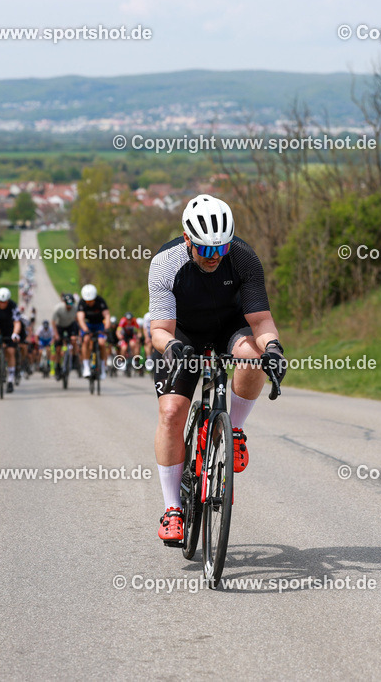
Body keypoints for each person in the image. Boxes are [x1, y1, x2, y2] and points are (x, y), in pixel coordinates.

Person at [148, 194, 287, 542]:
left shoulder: (243, 257)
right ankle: (172, 509)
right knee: (171, 413)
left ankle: (234, 431)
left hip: (229, 326)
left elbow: (261, 319)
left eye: (220, 250)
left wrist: (273, 347)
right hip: (181, 333)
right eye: (205, 250)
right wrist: (175, 347)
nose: (213, 258)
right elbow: (160, 330)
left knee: (253, 357)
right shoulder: (165, 263)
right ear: (186, 240)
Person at [77, 284, 110, 379]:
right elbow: (80, 318)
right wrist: (86, 330)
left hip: (99, 324)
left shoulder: (100, 301)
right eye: (87, 301)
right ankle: (86, 367)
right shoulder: (81, 303)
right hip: (88, 325)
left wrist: (106, 328)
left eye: (91, 301)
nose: (89, 303)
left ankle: (103, 368)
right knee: (86, 340)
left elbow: (107, 316)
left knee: (102, 343)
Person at [51, 293, 79, 381]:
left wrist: (77, 334)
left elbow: (77, 320)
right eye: (68, 304)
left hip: (71, 325)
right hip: (60, 326)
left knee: (74, 341)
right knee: (58, 348)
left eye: (71, 304)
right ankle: (58, 366)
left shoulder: (75, 308)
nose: (69, 306)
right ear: (64, 303)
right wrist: (56, 335)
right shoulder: (58, 308)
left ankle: (74, 359)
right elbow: (53, 322)